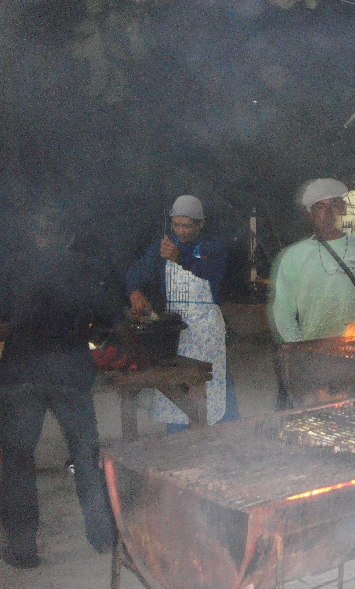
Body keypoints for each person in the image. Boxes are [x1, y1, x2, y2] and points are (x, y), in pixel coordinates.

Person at [0, 205, 123, 567]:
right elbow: (109, 317)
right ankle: (102, 537)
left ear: (35, 236)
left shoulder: (13, 266)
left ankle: (23, 550)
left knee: (18, 461)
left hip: (22, 373)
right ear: (68, 237)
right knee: (85, 456)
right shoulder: (86, 267)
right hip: (70, 371)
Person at [125, 195, 238, 432]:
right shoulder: (162, 246)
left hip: (206, 330)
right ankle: (177, 439)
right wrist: (135, 292)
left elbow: (211, 271)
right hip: (175, 330)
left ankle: (224, 436)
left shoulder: (212, 247)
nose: (181, 231)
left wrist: (180, 257)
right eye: (176, 225)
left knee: (212, 387)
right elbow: (134, 274)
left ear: (200, 223)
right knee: (174, 387)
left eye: (187, 225)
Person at [270, 178, 355, 344]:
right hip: (313, 350)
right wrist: (300, 346)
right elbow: (283, 310)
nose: (328, 213)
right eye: (321, 206)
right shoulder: (294, 256)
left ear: (342, 209)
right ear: (311, 212)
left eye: (334, 205)